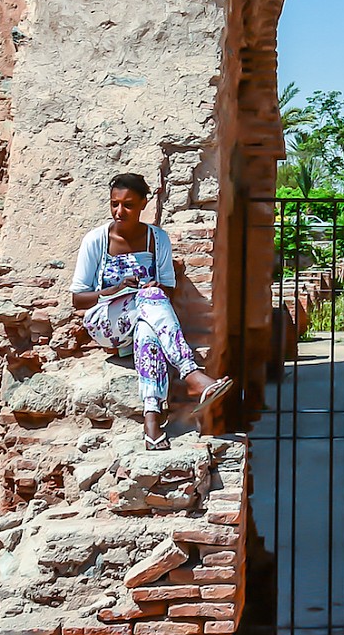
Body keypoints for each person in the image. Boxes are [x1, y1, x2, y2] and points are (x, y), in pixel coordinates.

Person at [71, 172, 230, 447]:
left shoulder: (157, 240)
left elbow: (167, 290)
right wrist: (115, 289)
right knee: (151, 299)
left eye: (128, 205)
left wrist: (152, 287)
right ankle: (191, 374)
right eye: (114, 204)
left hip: (145, 317)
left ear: (144, 203)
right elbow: (78, 299)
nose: (120, 211)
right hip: (105, 323)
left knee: (147, 331)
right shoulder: (96, 240)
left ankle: (152, 422)